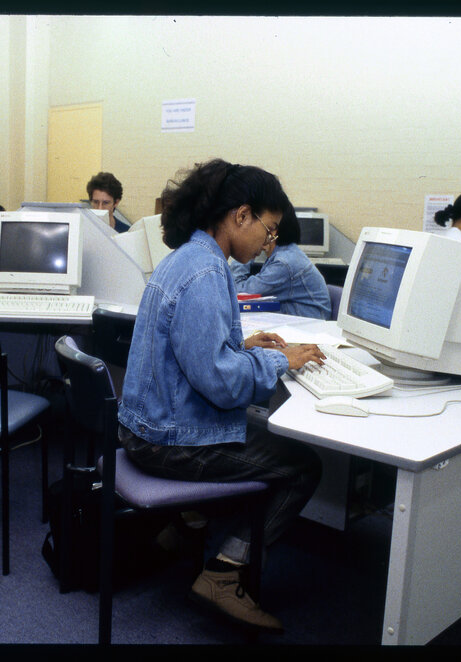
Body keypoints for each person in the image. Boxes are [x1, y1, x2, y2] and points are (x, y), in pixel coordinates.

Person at [117, 159, 324, 633]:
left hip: (144, 427)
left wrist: (242, 345)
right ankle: (224, 575)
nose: (269, 243)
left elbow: (192, 350)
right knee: (303, 466)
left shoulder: (189, 258)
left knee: (256, 433)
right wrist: (280, 360)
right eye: (269, 231)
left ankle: (183, 528)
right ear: (241, 215)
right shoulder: (207, 274)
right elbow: (224, 384)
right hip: (167, 442)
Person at [229, 203, 332, 319]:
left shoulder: (284, 263)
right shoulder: (285, 253)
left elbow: (241, 293)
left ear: (272, 232)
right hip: (298, 322)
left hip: (309, 328)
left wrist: (244, 249)